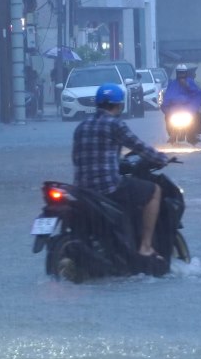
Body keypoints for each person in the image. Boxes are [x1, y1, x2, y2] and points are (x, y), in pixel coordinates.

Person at [72, 83, 171, 273]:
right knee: (154, 190)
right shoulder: (115, 124)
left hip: (82, 189)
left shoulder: (81, 126)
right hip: (108, 187)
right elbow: (139, 146)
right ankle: (145, 247)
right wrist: (162, 158)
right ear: (119, 105)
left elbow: (77, 158)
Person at [162, 64, 201, 144]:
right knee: (167, 116)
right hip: (175, 108)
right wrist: (165, 105)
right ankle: (171, 134)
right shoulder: (172, 83)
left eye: (183, 73)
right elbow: (168, 95)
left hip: (188, 108)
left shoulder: (190, 82)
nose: (181, 75)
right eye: (180, 73)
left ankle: (195, 133)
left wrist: (187, 86)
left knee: (198, 116)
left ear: (186, 73)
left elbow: (196, 93)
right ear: (177, 73)